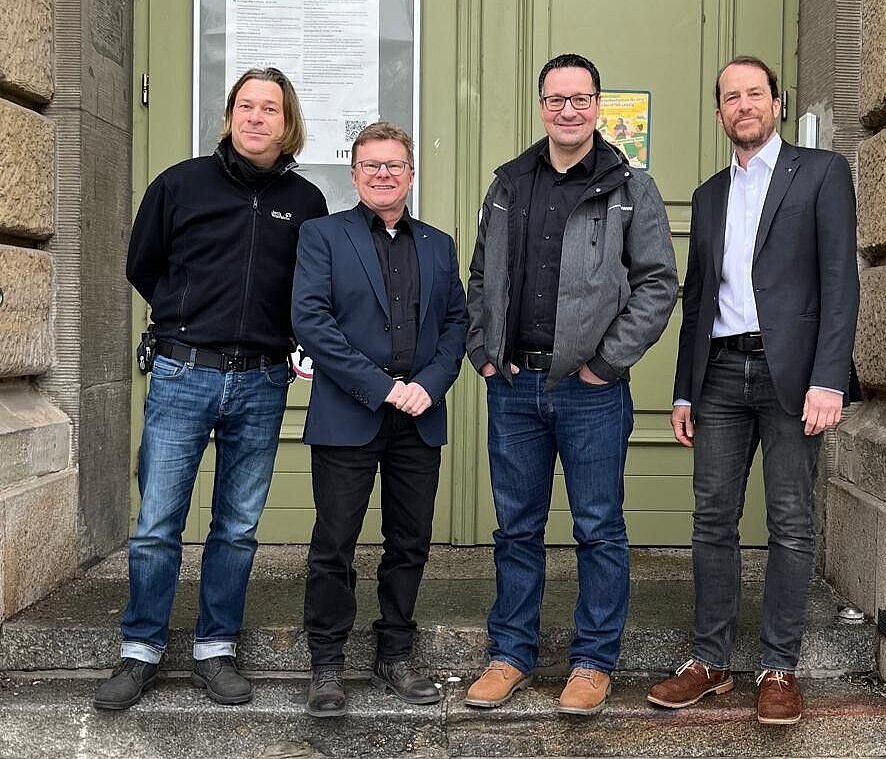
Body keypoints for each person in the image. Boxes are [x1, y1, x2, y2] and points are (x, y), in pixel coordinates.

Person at [93, 68, 328, 710]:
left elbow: (309, 288)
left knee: (238, 526)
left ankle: (215, 649)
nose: (256, 118)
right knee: (157, 522)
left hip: (262, 379)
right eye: (245, 106)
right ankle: (140, 650)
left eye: (270, 109)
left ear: (287, 123)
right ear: (229, 116)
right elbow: (143, 264)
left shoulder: (306, 202)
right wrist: (185, 318)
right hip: (183, 373)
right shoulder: (180, 184)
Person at [647, 56, 858, 725]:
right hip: (719, 374)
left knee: (790, 522)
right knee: (712, 519)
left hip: (792, 375)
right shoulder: (709, 194)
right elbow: (697, 298)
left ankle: (778, 666)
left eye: (755, 93)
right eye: (731, 97)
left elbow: (841, 282)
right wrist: (683, 391)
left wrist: (829, 377)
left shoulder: (821, 173)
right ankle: (710, 661)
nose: (744, 105)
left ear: (776, 103)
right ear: (719, 114)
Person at [464, 53, 678, 716]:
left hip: (592, 392)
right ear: (541, 106)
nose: (568, 110)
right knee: (516, 528)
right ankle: (510, 654)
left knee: (598, 528)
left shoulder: (630, 187)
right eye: (556, 99)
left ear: (597, 105)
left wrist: (605, 364)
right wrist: (484, 351)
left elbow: (658, 284)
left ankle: (592, 663)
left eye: (580, 99)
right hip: (514, 386)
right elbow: (481, 276)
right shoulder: (508, 183)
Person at [291, 122, 467, 717]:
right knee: (334, 543)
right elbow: (312, 320)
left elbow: (456, 324)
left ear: (411, 175)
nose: (383, 174)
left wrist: (428, 386)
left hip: (418, 416)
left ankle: (395, 654)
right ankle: (327, 662)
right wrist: (381, 387)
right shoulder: (323, 236)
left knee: (409, 542)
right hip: (350, 413)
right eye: (371, 165)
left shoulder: (439, 245)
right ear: (355, 174)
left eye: (394, 165)